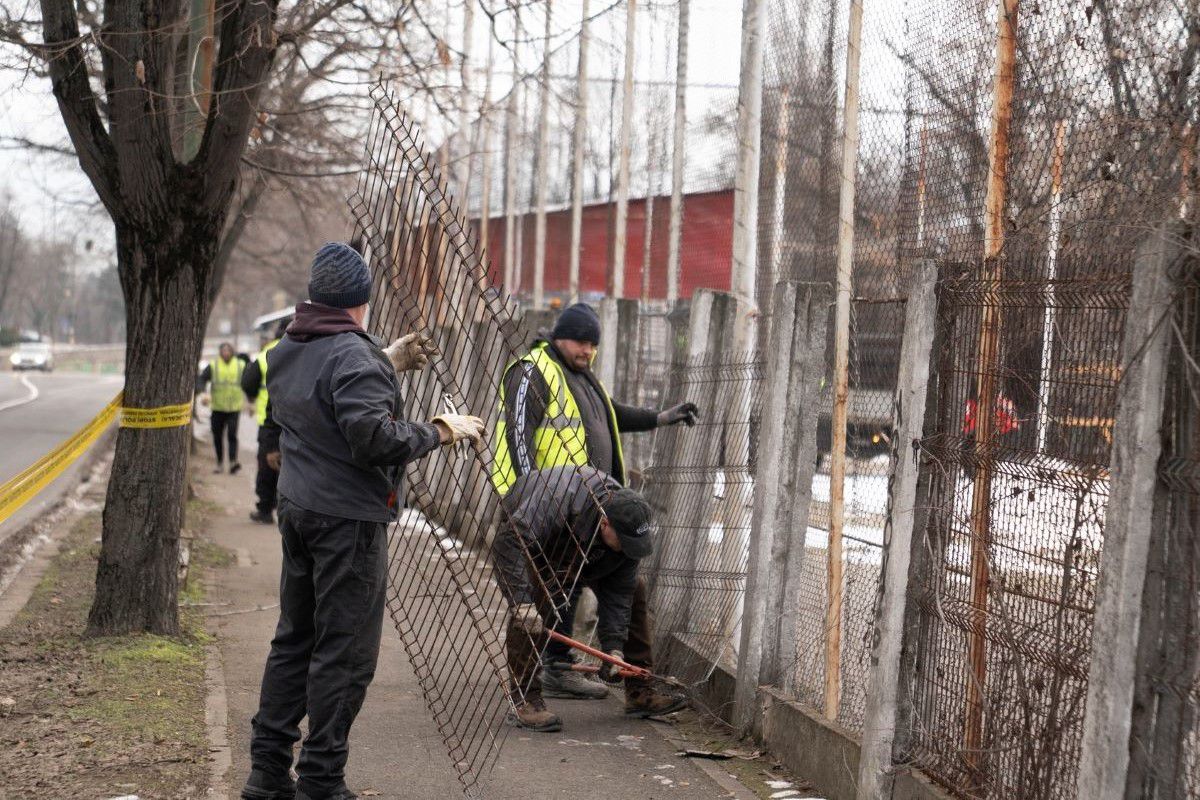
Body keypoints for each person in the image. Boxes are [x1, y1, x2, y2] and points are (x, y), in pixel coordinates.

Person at [240, 242, 486, 800]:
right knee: (345, 654)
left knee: (295, 640)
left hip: (299, 510)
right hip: (346, 521)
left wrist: (383, 360)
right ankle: (322, 779)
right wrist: (439, 430)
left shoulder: (289, 346)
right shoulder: (352, 355)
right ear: (361, 301)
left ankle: (267, 772)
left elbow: (323, 396)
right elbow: (374, 438)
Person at [490, 302, 699, 700]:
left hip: (591, 507)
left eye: (592, 344)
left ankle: (569, 669)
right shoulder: (534, 371)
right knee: (553, 588)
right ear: (559, 337)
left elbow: (610, 415)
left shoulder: (582, 377)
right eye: (580, 342)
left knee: (596, 584)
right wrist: (530, 497)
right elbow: (518, 435)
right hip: (548, 506)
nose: (587, 350)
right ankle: (546, 674)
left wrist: (660, 418)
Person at [493, 464, 689, 733]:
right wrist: (521, 603)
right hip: (533, 538)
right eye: (624, 543)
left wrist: (613, 649)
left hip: (585, 543)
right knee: (534, 604)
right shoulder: (555, 500)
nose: (629, 550)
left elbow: (619, 595)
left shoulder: (627, 529)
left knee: (636, 588)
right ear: (605, 523)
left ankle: (639, 691)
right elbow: (509, 540)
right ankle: (525, 700)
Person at [242, 320, 289, 525]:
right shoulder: (307, 349)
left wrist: (253, 397)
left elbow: (248, 382)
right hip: (295, 423)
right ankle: (284, 509)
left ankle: (265, 509)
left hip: (268, 421)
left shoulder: (267, 353)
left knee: (267, 465)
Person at [197, 342, 250, 474]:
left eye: (228, 350)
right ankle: (219, 463)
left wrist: (251, 401)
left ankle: (233, 462)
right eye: (223, 350)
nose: (226, 353)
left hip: (234, 408)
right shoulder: (214, 365)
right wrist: (203, 393)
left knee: (232, 435)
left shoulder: (240, 365)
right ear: (220, 352)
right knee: (217, 436)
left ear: (232, 352)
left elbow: (249, 382)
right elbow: (202, 379)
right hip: (217, 408)